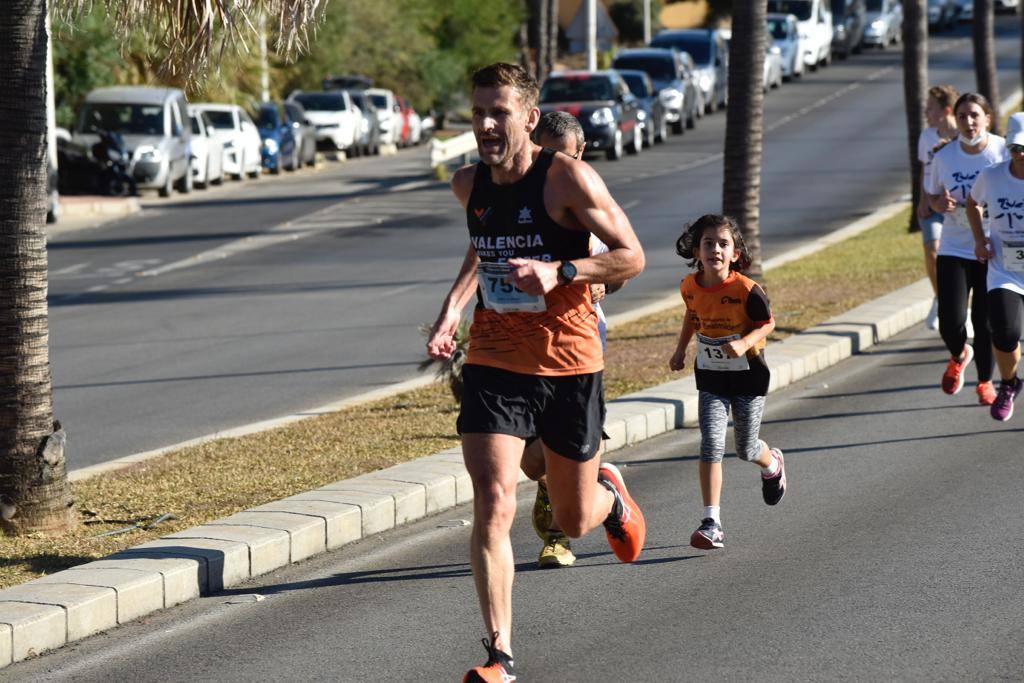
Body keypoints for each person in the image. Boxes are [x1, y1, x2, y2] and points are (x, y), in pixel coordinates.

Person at [426, 63, 647, 683]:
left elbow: (633, 256)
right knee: (493, 500)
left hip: (569, 361)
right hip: (495, 357)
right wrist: (451, 312)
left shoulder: (567, 179)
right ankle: (501, 656)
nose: (486, 124)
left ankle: (610, 497)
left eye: (499, 112)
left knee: (574, 519)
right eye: (477, 113)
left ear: (529, 118)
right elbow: (482, 243)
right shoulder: (468, 184)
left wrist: (562, 272)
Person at [523, 110, 626, 569]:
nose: (554, 167)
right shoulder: (514, 191)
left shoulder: (587, 193)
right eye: (546, 155)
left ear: (581, 153)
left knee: (564, 446)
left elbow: (622, 261)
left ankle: (559, 536)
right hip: (520, 336)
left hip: (580, 335)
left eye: (563, 157)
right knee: (528, 460)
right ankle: (575, 486)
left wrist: (600, 281)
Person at [668, 214, 787, 550]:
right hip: (711, 376)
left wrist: (744, 343)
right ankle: (711, 521)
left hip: (748, 376)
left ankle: (772, 463)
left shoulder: (747, 290)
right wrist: (679, 350)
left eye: (723, 244)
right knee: (710, 444)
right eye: (708, 243)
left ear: (735, 253)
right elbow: (692, 316)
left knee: (746, 449)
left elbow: (768, 323)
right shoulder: (689, 286)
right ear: (697, 249)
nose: (715, 250)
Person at [926, 93, 1007, 405]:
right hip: (955, 246)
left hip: (991, 247)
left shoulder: (1002, 151)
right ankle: (960, 353)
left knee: (985, 319)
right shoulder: (945, 157)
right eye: (962, 116)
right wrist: (939, 203)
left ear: (986, 117)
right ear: (955, 120)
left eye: (975, 115)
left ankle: (986, 381)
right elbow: (933, 195)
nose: (969, 122)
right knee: (950, 318)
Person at [966, 112, 1024, 420]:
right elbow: (973, 202)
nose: (1021, 155)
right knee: (1004, 332)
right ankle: (1010, 383)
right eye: (1016, 149)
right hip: (1005, 271)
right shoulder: (993, 176)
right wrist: (979, 239)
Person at [917, 85, 959, 331]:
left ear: (946, 111)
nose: (926, 112)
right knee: (932, 250)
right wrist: (922, 199)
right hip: (932, 203)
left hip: (956, 207)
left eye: (930, 108)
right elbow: (925, 168)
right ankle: (940, 298)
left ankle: (960, 304)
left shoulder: (961, 136)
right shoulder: (926, 136)